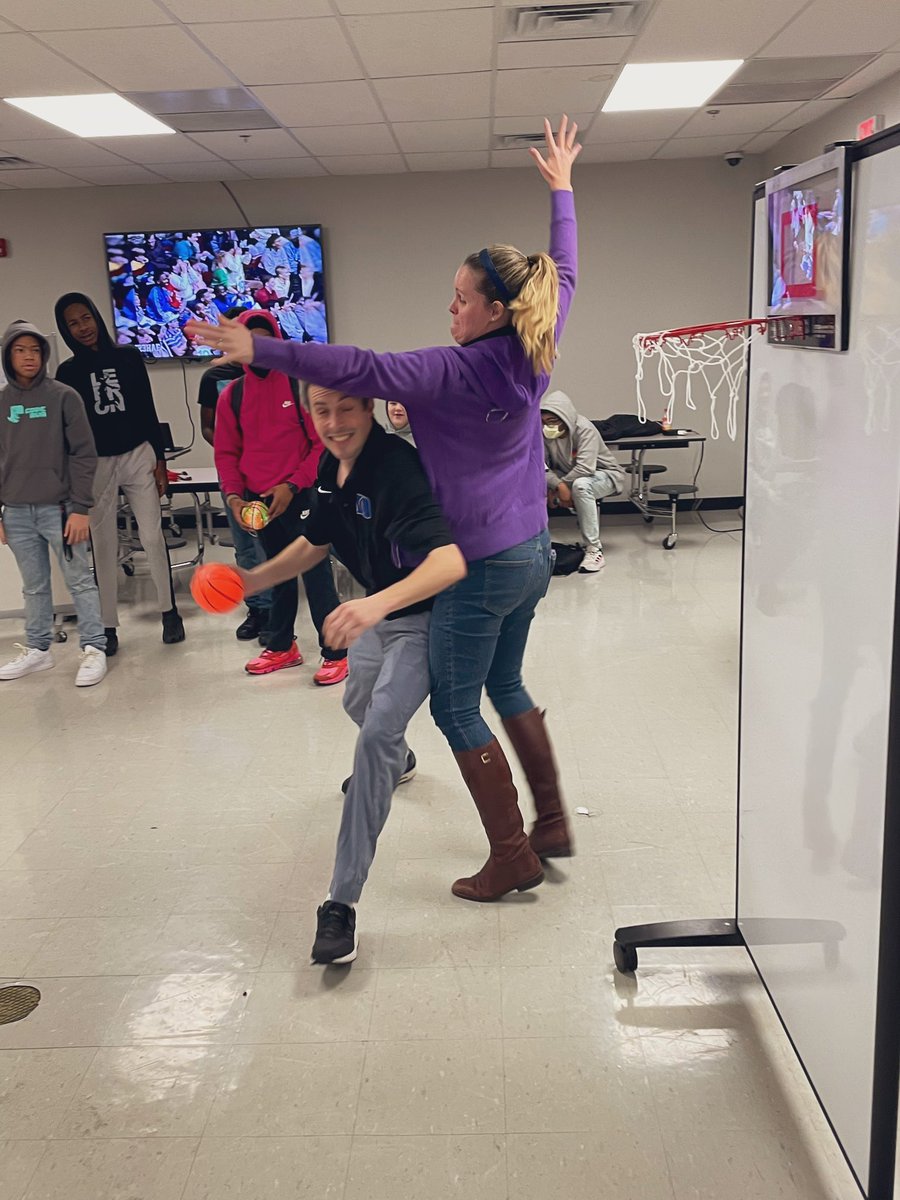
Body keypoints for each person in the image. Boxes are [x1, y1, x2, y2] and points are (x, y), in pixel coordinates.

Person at [186, 115, 580, 902]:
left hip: (479, 564)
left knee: (458, 708)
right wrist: (563, 190)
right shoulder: (538, 341)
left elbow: (358, 363)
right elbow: (565, 268)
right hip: (534, 552)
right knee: (506, 682)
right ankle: (553, 823)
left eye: (461, 300)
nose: (450, 309)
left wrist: (262, 349)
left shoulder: (450, 370)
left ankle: (513, 856)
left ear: (494, 310)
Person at [235, 383, 465, 962]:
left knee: (376, 733)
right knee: (356, 705)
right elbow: (316, 540)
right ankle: (400, 761)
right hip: (375, 614)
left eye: (345, 408)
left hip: (418, 618)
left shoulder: (395, 468)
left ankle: (340, 903)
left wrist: (372, 605)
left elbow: (448, 561)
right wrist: (254, 580)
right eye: (322, 410)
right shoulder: (328, 466)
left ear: (369, 408)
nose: (334, 422)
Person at [213, 309, 347, 683]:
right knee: (277, 574)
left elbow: (322, 446)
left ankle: (336, 652)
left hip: (302, 497)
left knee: (316, 574)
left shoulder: (298, 386)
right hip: (259, 503)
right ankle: (282, 645)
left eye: (265, 339)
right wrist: (235, 498)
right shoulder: (232, 396)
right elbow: (226, 453)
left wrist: (291, 485)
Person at [55, 292, 185, 655]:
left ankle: (169, 612)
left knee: (152, 535)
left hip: (138, 454)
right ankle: (108, 625)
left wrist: (161, 462)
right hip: (97, 464)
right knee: (104, 545)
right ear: (65, 330)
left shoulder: (128, 357)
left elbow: (147, 408)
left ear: (96, 317)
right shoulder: (67, 372)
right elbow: (70, 430)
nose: (83, 327)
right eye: (73, 323)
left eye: (86, 318)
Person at [0, 322, 107, 687]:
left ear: (44, 355)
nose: (29, 357)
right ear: (8, 356)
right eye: (20, 350)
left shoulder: (64, 396)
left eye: (35, 350)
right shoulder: (2, 402)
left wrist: (80, 508)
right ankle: (38, 649)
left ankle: (94, 647)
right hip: (16, 511)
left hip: (60, 510)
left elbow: (84, 454)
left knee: (80, 581)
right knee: (33, 586)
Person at [197, 311, 273, 642]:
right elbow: (207, 426)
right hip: (233, 475)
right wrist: (233, 452)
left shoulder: (274, 373)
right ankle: (257, 609)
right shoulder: (214, 378)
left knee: (270, 544)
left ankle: (277, 612)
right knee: (244, 546)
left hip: (270, 472)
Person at [542, 390, 624, 573]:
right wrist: (556, 486)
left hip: (604, 475)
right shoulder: (544, 435)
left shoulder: (584, 428)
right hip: (567, 477)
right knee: (533, 482)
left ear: (565, 417)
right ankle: (537, 545)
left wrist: (560, 486)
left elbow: (586, 468)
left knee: (581, 486)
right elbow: (541, 466)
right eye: (544, 422)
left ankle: (594, 550)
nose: (548, 426)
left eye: (553, 421)